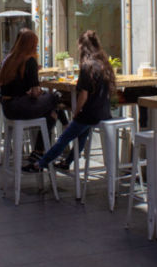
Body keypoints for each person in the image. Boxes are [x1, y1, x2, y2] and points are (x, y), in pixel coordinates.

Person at [24, 30, 115, 173]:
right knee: (82, 131)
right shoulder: (105, 65)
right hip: (104, 112)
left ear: (82, 48)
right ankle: (68, 161)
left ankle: (40, 164)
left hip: (90, 114)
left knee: (64, 138)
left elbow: (83, 95)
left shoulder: (87, 67)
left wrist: (76, 112)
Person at [0, 28, 62, 164]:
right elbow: (35, 92)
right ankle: (41, 149)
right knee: (55, 97)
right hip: (20, 107)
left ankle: (39, 151)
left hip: (7, 108)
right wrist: (37, 90)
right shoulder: (30, 61)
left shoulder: (8, 60)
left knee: (50, 113)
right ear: (31, 45)